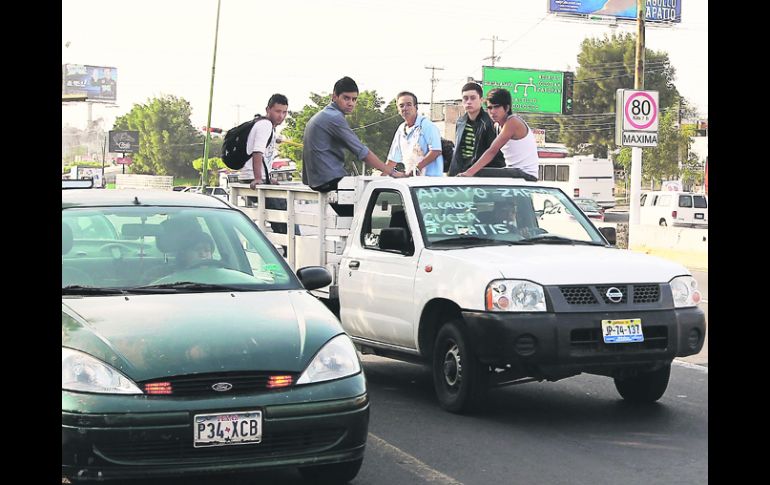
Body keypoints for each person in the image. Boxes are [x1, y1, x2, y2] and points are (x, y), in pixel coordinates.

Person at [302, 76, 406, 194]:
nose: (351, 103)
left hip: (317, 181)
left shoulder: (324, 115)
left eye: (354, 99)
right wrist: (391, 172)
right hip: (329, 181)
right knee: (379, 200)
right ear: (334, 96)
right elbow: (362, 152)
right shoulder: (334, 118)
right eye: (346, 98)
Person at [237, 94, 298, 237]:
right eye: (277, 111)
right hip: (254, 179)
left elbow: (265, 158)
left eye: (284, 112)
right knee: (285, 213)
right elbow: (257, 152)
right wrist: (258, 178)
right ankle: (295, 249)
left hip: (257, 178)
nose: (281, 116)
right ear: (268, 109)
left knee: (281, 214)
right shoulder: (265, 125)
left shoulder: (265, 125)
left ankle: (288, 247)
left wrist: (269, 178)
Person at [457, 88, 539, 181]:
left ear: (507, 108)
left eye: (496, 107)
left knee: (477, 173)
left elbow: (492, 150)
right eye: (489, 108)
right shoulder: (497, 125)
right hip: (513, 171)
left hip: (525, 174)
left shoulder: (513, 122)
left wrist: (468, 173)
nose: (492, 111)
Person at [447, 82, 505, 176]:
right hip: (461, 173)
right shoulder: (460, 122)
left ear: (481, 100)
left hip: (483, 175)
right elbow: (458, 152)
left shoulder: (490, 122)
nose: (469, 101)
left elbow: (494, 153)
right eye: (465, 98)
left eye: (473, 98)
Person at [385, 91, 443, 176]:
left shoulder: (427, 126)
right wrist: (379, 179)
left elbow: (436, 151)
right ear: (398, 110)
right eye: (401, 106)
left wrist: (416, 169)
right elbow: (392, 160)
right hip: (412, 182)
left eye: (409, 104)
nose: (405, 108)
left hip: (431, 183)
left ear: (416, 107)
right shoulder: (401, 130)